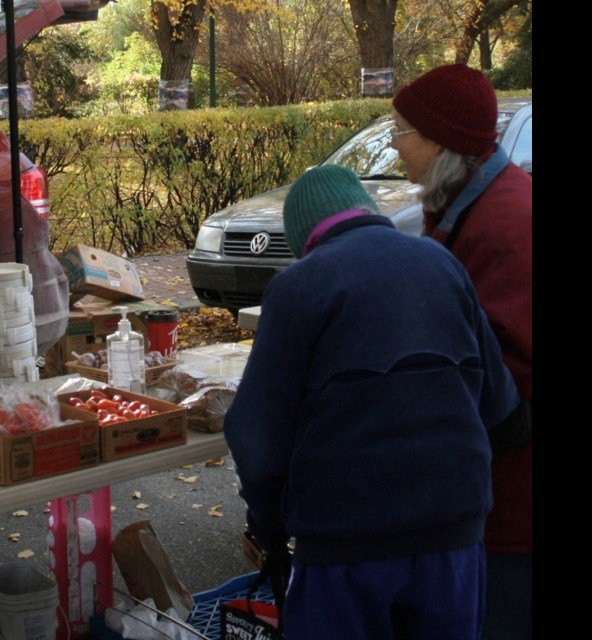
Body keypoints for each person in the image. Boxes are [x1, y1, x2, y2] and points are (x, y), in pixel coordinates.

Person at [223, 165, 529, 639]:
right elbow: (504, 410)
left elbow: (255, 435)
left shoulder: (301, 284)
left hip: (347, 541)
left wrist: (269, 527)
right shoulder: (442, 263)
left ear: (305, 236)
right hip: (453, 534)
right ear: (365, 211)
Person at [391, 64, 532, 640]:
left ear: (441, 140)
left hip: (512, 494)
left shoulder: (507, 222)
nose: (396, 145)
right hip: (488, 481)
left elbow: (503, 372)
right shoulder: (465, 200)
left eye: (402, 131)